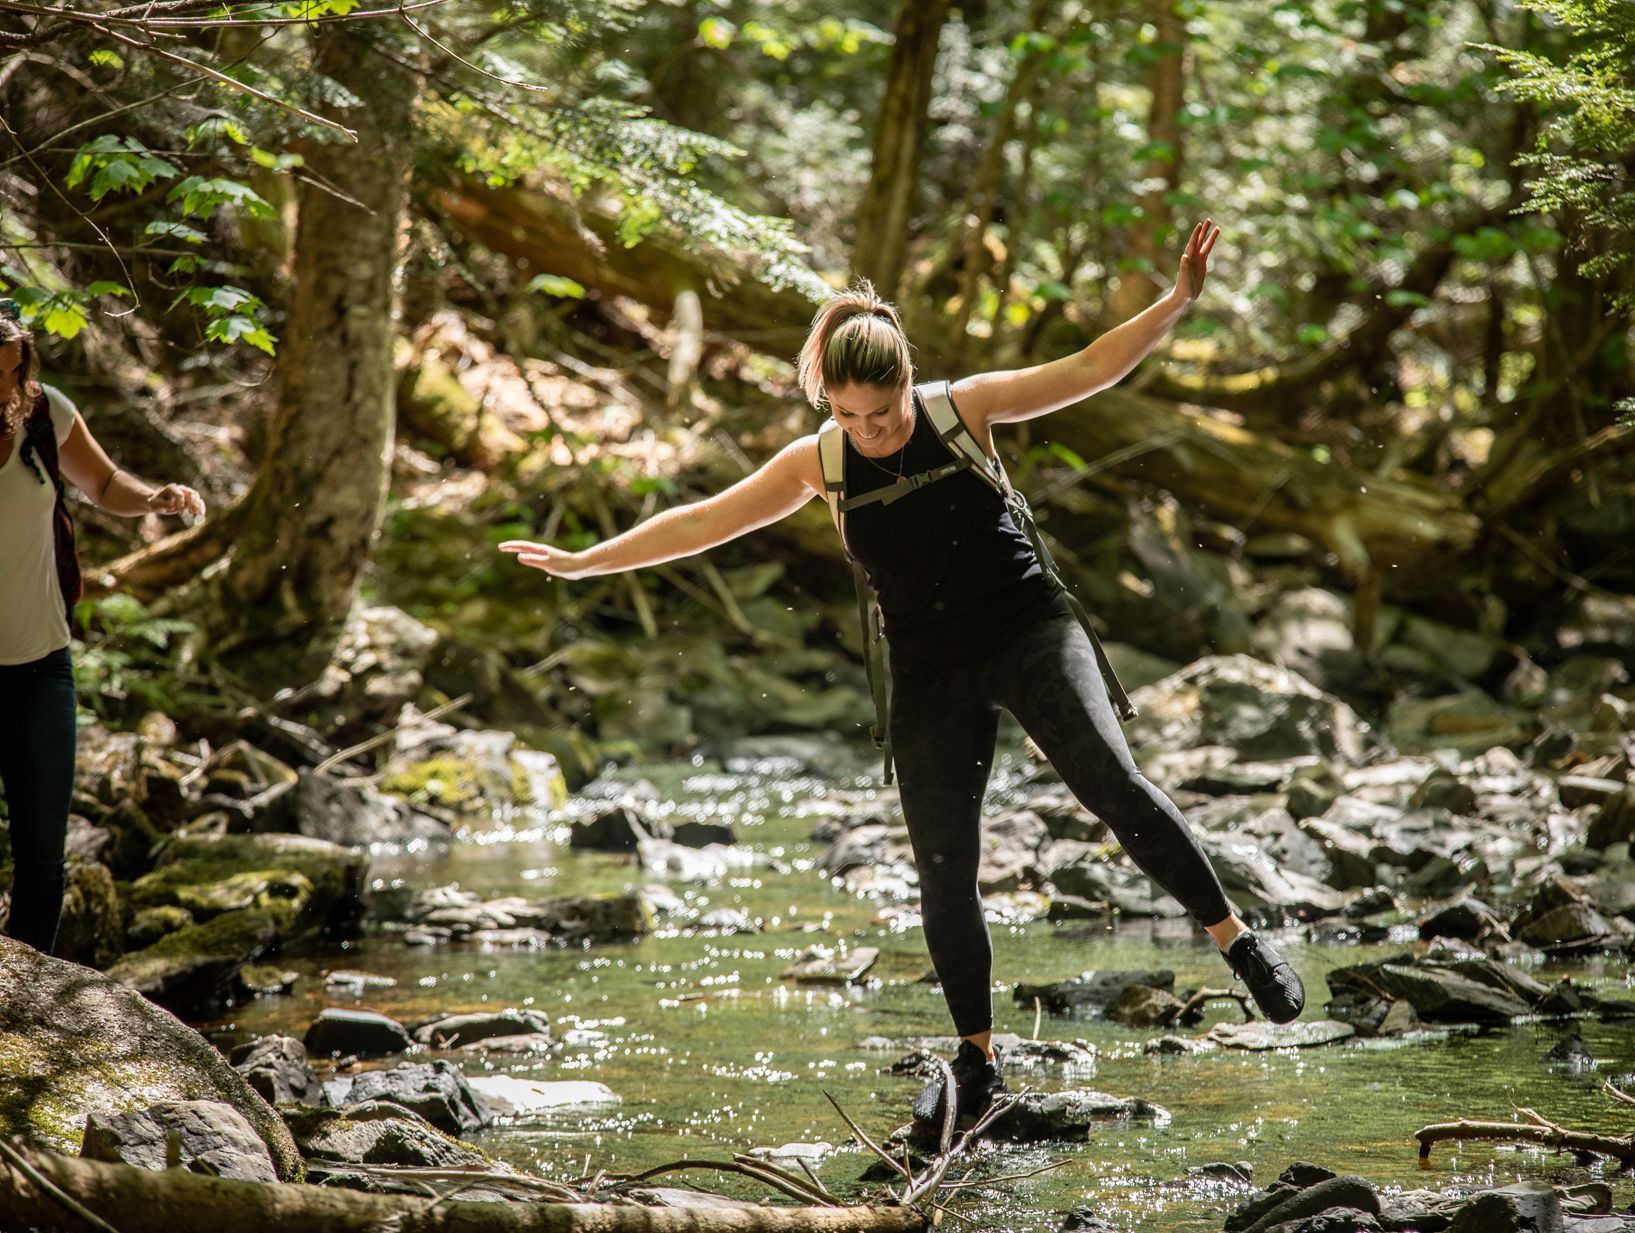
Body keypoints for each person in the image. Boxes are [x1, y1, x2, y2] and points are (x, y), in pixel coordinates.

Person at [500, 219, 1304, 1134]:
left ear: (908, 384)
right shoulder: (822, 460)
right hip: (929, 670)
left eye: (882, 414)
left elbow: (1088, 368)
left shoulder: (966, 409)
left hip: (1030, 629)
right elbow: (700, 522)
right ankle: (979, 1056)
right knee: (943, 869)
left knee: (1112, 782)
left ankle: (1234, 940)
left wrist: (1175, 304)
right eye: (849, 417)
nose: (870, 433)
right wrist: (581, 562)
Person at [0, 302, 205, 954]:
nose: (4, 386)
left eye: (13, 368)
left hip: (41, 664)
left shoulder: (44, 412)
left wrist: (154, 498)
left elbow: (104, 482)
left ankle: (24, 998)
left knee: (42, 855)